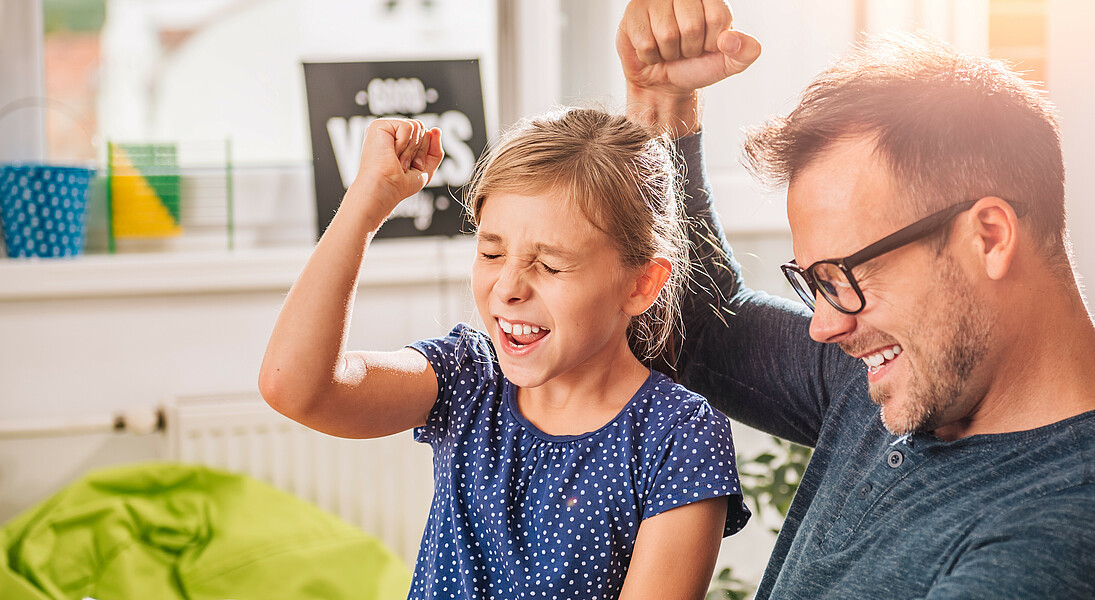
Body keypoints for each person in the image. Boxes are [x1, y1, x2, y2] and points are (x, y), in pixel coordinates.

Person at [616, 1, 1095, 598]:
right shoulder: (912, 375)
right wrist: (662, 106)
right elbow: (696, 327)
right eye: (814, 283)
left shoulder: (1084, 531)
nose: (824, 326)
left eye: (842, 274)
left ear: (989, 237)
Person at [258, 110, 749, 600]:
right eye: (491, 254)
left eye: (550, 265)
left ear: (641, 284)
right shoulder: (468, 377)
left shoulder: (679, 436)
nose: (508, 288)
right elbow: (295, 386)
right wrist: (365, 205)